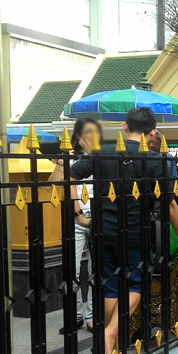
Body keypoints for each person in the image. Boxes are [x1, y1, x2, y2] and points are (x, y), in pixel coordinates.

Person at [70, 107, 178, 354]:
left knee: (110, 284)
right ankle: (110, 333)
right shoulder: (158, 160)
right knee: (136, 282)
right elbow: (171, 205)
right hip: (136, 231)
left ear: (125, 126)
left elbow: (70, 176)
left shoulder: (103, 152)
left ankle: (112, 350)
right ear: (152, 132)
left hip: (102, 230)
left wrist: (78, 215)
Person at [50, 117, 102, 334]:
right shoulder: (69, 158)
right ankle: (75, 315)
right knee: (71, 269)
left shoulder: (100, 157)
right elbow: (52, 184)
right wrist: (63, 160)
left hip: (97, 216)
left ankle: (91, 316)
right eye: (86, 132)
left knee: (94, 269)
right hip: (75, 218)